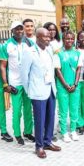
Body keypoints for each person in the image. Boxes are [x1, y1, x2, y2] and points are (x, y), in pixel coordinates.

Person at [21, 28, 60, 159]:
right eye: (45, 37)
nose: (49, 39)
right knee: (40, 120)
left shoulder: (49, 49)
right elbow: (24, 75)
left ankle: (48, 142)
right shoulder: (29, 52)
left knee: (50, 117)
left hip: (50, 89)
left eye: (49, 36)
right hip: (37, 91)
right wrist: (29, 91)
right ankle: (39, 146)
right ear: (37, 38)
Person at [0, 21, 35, 145]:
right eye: (16, 29)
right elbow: (2, 66)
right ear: (12, 31)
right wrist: (5, 84)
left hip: (27, 82)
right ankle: (18, 134)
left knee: (28, 109)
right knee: (17, 111)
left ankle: (28, 132)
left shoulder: (29, 43)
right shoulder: (6, 45)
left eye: (21, 29)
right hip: (14, 83)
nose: (19, 31)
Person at [54, 31, 82, 142]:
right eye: (67, 38)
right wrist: (66, 85)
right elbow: (58, 71)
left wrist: (75, 84)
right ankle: (64, 132)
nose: (69, 41)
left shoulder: (77, 53)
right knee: (63, 110)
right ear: (63, 39)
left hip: (75, 86)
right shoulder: (58, 53)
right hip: (62, 87)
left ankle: (73, 131)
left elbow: (79, 69)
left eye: (71, 39)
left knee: (74, 109)